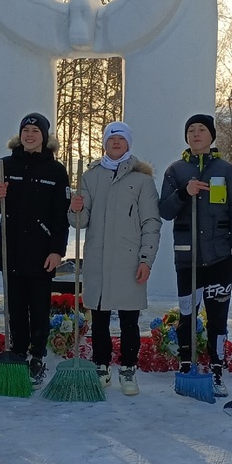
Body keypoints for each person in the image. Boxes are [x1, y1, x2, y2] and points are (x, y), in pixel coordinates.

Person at [69, 122, 161, 394]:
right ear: (105, 143)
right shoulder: (91, 176)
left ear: (129, 143)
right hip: (98, 257)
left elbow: (151, 222)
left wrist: (146, 259)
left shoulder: (142, 180)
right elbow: (81, 221)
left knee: (129, 318)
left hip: (129, 259)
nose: (116, 142)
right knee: (99, 317)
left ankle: (128, 368)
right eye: (112, 138)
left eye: (121, 138)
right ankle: (101, 365)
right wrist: (75, 208)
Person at [159, 113, 232, 397]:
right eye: (191, 130)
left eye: (201, 130)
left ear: (211, 136)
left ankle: (217, 368)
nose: (196, 134)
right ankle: (187, 364)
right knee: (188, 314)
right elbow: (166, 210)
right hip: (187, 257)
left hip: (220, 256)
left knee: (218, 316)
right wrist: (185, 192)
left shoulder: (226, 170)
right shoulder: (175, 170)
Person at [0, 113, 71, 388]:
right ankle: (19, 351)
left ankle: (37, 355)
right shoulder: (4, 165)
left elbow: (61, 216)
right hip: (12, 248)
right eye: (26, 130)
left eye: (36, 130)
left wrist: (57, 250)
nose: (30, 135)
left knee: (38, 307)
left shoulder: (56, 171)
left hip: (41, 251)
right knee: (16, 309)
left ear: (44, 137)